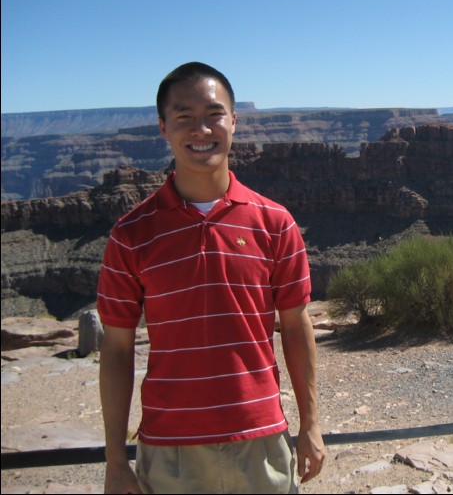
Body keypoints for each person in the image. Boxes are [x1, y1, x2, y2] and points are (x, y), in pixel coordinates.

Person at [97, 62, 325, 494]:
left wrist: (311, 424)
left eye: (213, 114)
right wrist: (114, 459)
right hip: (169, 450)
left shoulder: (276, 224)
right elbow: (116, 348)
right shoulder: (130, 236)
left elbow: (296, 328)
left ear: (234, 122)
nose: (201, 130)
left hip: (260, 441)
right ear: (164, 127)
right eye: (184, 117)